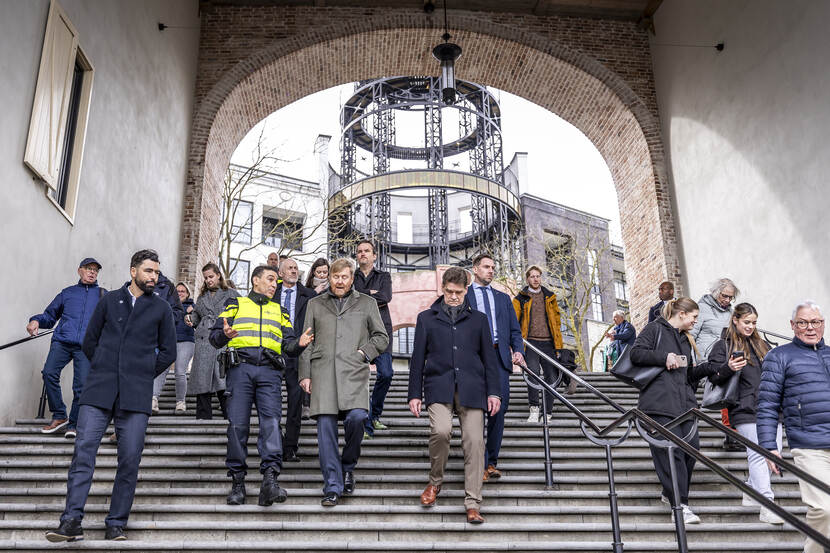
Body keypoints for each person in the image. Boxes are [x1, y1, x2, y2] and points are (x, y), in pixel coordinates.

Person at [45, 250, 176, 543]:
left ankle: (116, 523)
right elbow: (90, 341)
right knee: (83, 454)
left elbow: (169, 352)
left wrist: (141, 374)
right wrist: (107, 366)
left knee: (129, 460)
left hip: (136, 395)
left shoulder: (162, 309)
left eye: (156, 272)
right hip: (99, 391)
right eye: (148, 271)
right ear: (133, 271)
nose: (154, 277)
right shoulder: (108, 301)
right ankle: (71, 522)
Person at [210, 264, 313, 507]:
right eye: (269, 279)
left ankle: (270, 481)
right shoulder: (235, 305)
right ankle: (237, 483)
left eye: (275, 281)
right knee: (237, 427)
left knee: (271, 425)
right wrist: (224, 334)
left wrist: (299, 343)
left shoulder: (280, 311)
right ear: (255, 281)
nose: (273, 284)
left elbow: (287, 344)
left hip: (270, 372)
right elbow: (215, 338)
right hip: (240, 370)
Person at [408, 266, 501, 524]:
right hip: (438, 386)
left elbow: (489, 360)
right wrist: (414, 394)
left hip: (473, 390)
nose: (453, 297)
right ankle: (435, 482)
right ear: (443, 288)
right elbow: (417, 359)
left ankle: (473, 503)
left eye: (458, 292)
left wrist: (494, 392)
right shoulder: (426, 318)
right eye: (449, 291)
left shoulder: (480, 320)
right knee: (440, 431)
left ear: (466, 290)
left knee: (474, 443)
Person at [299, 257, 388, 507]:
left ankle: (348, 466)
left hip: (354, 373)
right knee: (325, 432)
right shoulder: (315, 304)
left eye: (344, 277)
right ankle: (332, 487)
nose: (340, 281)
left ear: (351, 279)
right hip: (323, 374)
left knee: (358, 418)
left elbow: (381, 338)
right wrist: (305, 373)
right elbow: (307, 341)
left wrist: (364, 353)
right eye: (335, 277)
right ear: (329, 278)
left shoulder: (368, 303)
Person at [629, 297, 717, 525]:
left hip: (685, 404)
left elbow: (686, 375)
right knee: (671, 452)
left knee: (692, 450)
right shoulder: (655, 328)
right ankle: (680, 506)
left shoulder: (686, 339)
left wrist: (708, 368)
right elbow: (635, 354)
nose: (696, 322)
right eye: (694, 317)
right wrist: (663, 357)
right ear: (682, 314)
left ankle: (671, 493)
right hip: (658, 403)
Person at [757, 300, 830, 553]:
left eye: (816, 322)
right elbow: (766, 404)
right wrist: (768, 445)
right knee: (824, 508)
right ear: (792, 325)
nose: (810, 328)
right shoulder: (779, 356)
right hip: (809, 445)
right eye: (803, 322)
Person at [703, 302, 783, 524]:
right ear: (735, 320)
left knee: (774, 456)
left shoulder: (762, 344)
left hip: (771, 407)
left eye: (754, 323)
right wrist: (729, 367)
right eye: (747, 322)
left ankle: (749, 489)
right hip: (744, 408)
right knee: (759, 454)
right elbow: (713, 377)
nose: (750, 326)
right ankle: (767, 505)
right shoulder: (723, 346)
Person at [27, 258, 104, 438]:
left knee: (81, 386)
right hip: (62, 341)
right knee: (49, 373)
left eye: (95, 270)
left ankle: (74, 424)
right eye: (88, 268)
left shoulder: (103, 295)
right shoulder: (67, 293)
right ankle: (60, 415)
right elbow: (50, 315)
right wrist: (36, 320)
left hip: (86, 346)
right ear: (80, 271)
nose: (92, 272)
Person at [467, 253, 524, 480]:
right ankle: (477, 463)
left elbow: (514, 331)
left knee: (498, 411)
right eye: (486, 267)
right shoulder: (464, 295)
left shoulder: (503, 299)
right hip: (473, 359)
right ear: (475, 269)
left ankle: (491, 462)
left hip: (499, 357)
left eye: (493, 267)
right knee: (475, 411)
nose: (491, 270)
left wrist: (518, 350)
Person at [692, 277, 741, 450]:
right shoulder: (701, 309)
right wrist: (693, 363)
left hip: (724, 356)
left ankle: (731, 435)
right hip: (705, 359)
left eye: (730, 297)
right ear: (715, 293)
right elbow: (690, 336)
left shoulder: (730, 312)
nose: (727, 300)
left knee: (731, 389)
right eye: (724, 296)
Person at [353, 240, 394, 439]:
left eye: (367, 251)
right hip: (358, 333)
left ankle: (375, 414)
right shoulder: (351, 277)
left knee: (386, 373)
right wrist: (370, 294)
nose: (363, 254)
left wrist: (362, 296)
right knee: (359, 378)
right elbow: (348, 298)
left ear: (374, 255)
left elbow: (386, 297)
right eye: (359, 251)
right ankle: (366, 424)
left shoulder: (384, 276)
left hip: (381, 332)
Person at [512, 265, 564, 424]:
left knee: (552, 376)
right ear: (527, 279)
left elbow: (556, 323)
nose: (536, 279)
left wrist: (559, 346)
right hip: (530, 343)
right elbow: (514, 322)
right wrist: (516, 347)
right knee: (532, 374)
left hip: (548, 343)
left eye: (538, 276)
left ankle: (547, 412)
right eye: (532, 276)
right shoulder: (520, 298)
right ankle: (534, 409)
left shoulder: (550, 297)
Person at [275, 257, 315, 462]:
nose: (293, 271)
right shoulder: (270, 293)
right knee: (270, 402)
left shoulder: (309, 295)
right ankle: (275, 443)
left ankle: (290, 447)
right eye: (289, 268)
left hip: (298, 352)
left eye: (296, 268)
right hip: (273, 351)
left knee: (295, 402)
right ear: (280, 273)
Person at [187, 263, 237, 420]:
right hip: (203, 341)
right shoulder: (202, 297)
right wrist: (190, 319)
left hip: (222, 339)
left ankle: (230, 417)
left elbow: (241, 314)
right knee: (202, 381)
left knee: (223, 380)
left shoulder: (232, 294)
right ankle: (203, 417)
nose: (208, 280)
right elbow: (197, 315)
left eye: (211, 276)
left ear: (218, 275)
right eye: (206, 278)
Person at [152, 282, 195, 414]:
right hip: (169, 341)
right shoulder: (168, 306)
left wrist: (193, 313)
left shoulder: (193, 307)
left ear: (187, 294)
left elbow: (198, 323)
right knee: (161, 369)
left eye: (183, 291)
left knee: (180, 371)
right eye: (178, 291)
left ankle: (180, 402)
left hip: (186, 341)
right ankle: (153, 400)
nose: (180, 293)